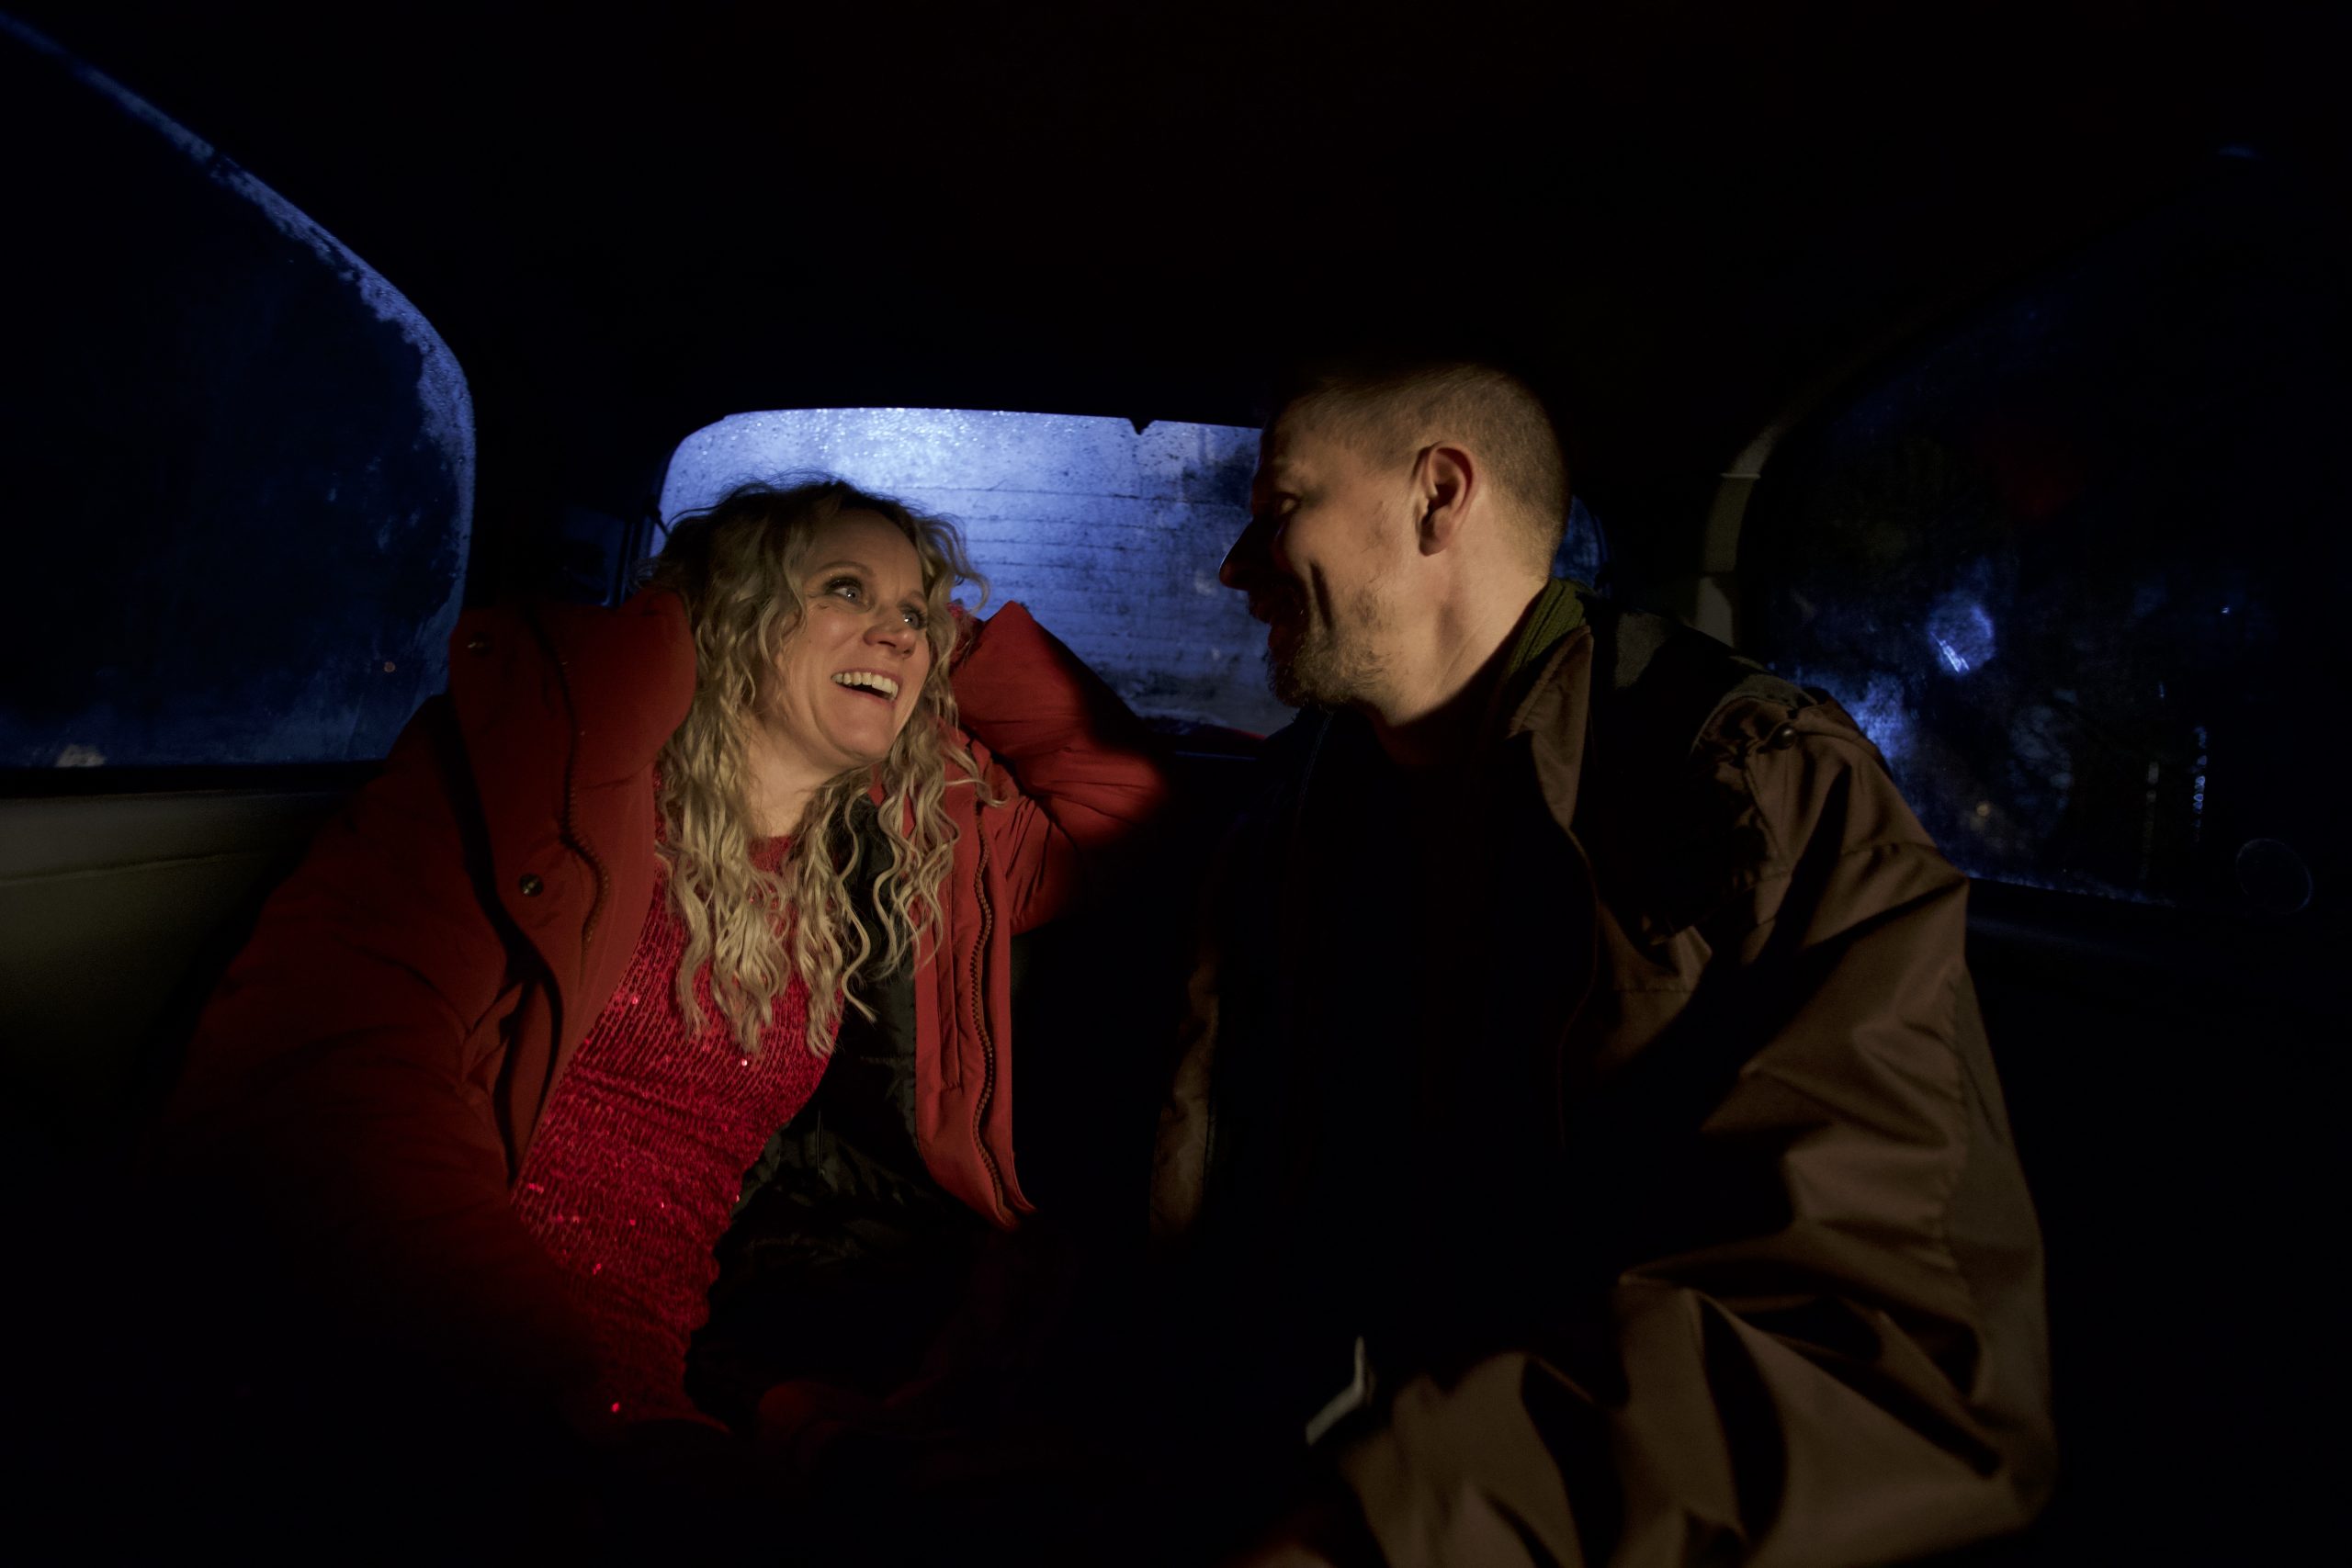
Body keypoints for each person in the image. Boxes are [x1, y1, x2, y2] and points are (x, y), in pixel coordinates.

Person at [1150, 358, 2055, 1566]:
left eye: (1278, 508)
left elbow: (1883, 1370)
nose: (1233, 566)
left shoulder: (1748, 790)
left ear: (1436, 498)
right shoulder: (1299, 816)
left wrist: (1379, 1527)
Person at [156, 478, 1168, 1549]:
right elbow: (333, 1077)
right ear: (735, 611)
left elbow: (1127, 807)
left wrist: (943, 639)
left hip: (654, 1380)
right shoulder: (546, 765)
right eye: (843, 588)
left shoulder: (900, 848)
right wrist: (570, 1401)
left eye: (914, 609)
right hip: (439, 1347)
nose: (898, 629)